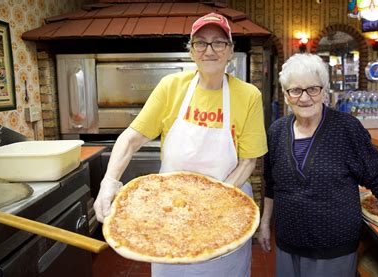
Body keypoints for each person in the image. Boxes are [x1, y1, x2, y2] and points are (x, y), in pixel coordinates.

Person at [94, 12, 268, 277]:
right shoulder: (171, 86)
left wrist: (212, 200)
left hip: (223, 208)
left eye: (219, 42)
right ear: (191, 51)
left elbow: (248, 161)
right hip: (170, 210)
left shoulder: (248, 95)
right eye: (201, 42)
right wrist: (109, 182)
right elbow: (130, 139)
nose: (209, 50)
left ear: (230, 51)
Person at [258, 53, 378, 277]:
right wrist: (265, 223)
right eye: (295, 90)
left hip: (334, 248)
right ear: (285, 95)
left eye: (313, 89)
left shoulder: (346, 129)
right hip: (288, 242)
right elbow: (272, 184)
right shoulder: (276, 131)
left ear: (324, 91)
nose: (304, 98)